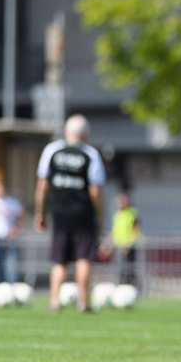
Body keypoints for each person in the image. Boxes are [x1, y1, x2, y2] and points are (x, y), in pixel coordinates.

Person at [34, 114, 106, 312]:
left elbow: (42, 186)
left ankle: (54, 301)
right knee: (83, 258)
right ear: (85, 134)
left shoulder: (52, 150)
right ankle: (83, 302)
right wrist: (99, 215)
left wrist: (40, 213)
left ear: (67, 132)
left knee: (59, 259)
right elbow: (95, 191)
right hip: (83, 213)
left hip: (58, 213)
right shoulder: (90, 154)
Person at [110, 192, 140, 285]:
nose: (119, 204)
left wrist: (129, 244)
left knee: (130, 269)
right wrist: (107, 244)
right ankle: (120, 286)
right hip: (118, 246)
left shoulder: (132, 213)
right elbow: (114, 231)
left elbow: (135, 230)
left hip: (129, 247)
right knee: (119, 270)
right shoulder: (117, 214)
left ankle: (132, 287)